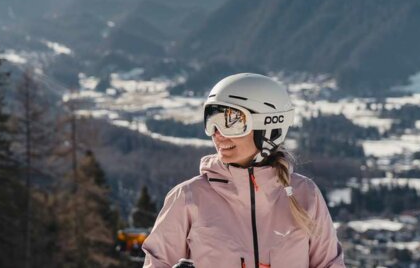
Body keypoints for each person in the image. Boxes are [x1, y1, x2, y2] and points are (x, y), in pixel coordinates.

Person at [142, 73, 345, 268]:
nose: (218, 135)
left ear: (269, 128)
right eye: (212, 123)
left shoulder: (305, 194)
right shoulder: (189, 198)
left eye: (232, 122)